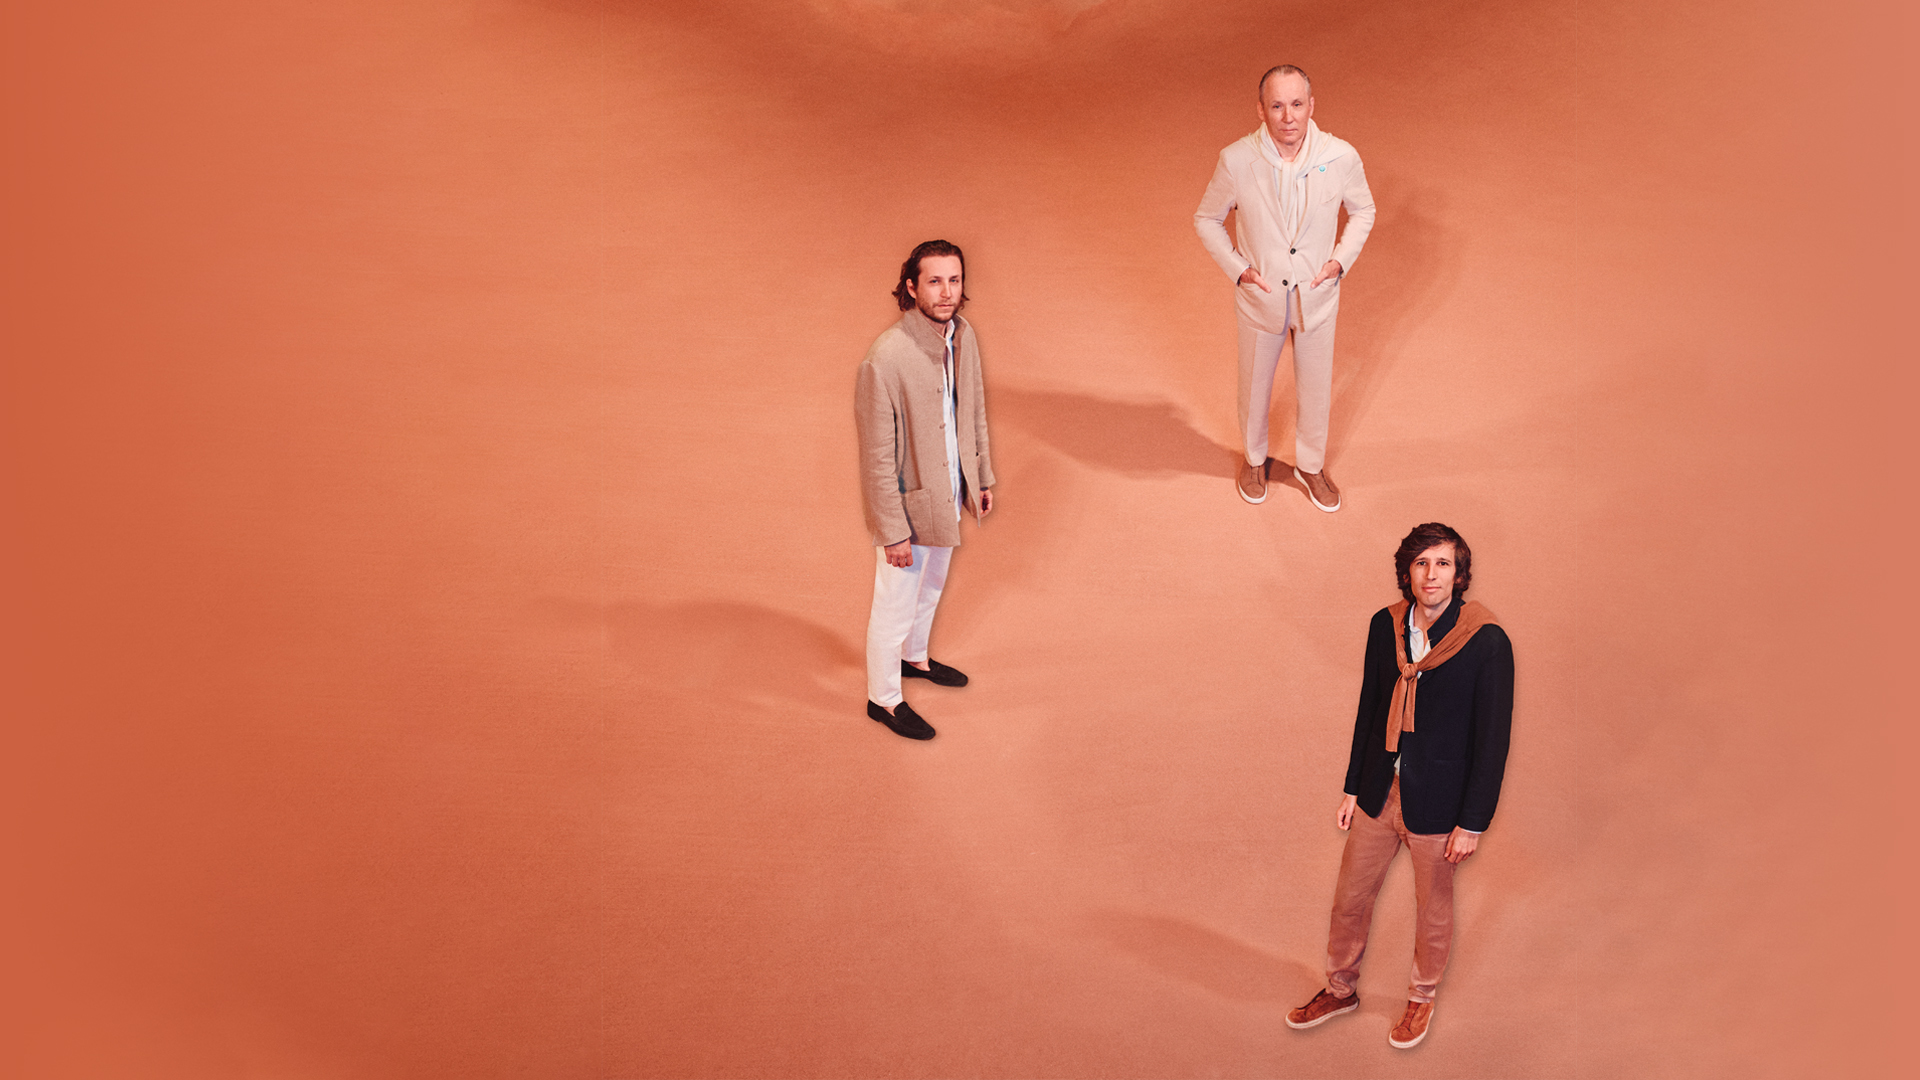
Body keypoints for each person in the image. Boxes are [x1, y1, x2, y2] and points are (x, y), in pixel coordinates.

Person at [1286, 523, 1514, 1048]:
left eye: (1442, 564)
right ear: (1406, 572)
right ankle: (1340, 989)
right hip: (1379, 790)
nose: (1431, 575)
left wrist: (1472, 823)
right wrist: (1351, 786)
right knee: (1350, 898)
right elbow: (1370, 708)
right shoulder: (1384, 625)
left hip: (1441, 802)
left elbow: (1492, 741)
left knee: (1432, 910)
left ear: (1459, 575)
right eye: (1421, 564)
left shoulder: (1486, 640)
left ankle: (1421, 999)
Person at [1194, 64, 1376, 509]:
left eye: (1297, 104)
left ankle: (1310, 466)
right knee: (1255, 383)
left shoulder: (1341, 157)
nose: (1288, 116)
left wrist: (1338, 261)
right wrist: (1239, 270)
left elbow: (1364, 211)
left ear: (1311, 106)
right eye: (1277, 105)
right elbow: (1207, 219)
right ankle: (1254, 459)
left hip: (1317, 296)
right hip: (1263, 297)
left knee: (1315, 386)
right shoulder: (1237, 159)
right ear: (1261, 110)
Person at [853, 240, 996, 741]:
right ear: (911, 287)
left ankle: (915, 658)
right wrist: (892, 531)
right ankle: (884, 698)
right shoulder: (884, 359)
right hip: (910, 505)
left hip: (948, 490)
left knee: (933, 584)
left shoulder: (963, 336)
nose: (947, 292)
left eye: (954, 280)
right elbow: (875, 459)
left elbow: (971, 408)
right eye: (934, 281)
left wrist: (980, 477)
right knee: (894, 601)